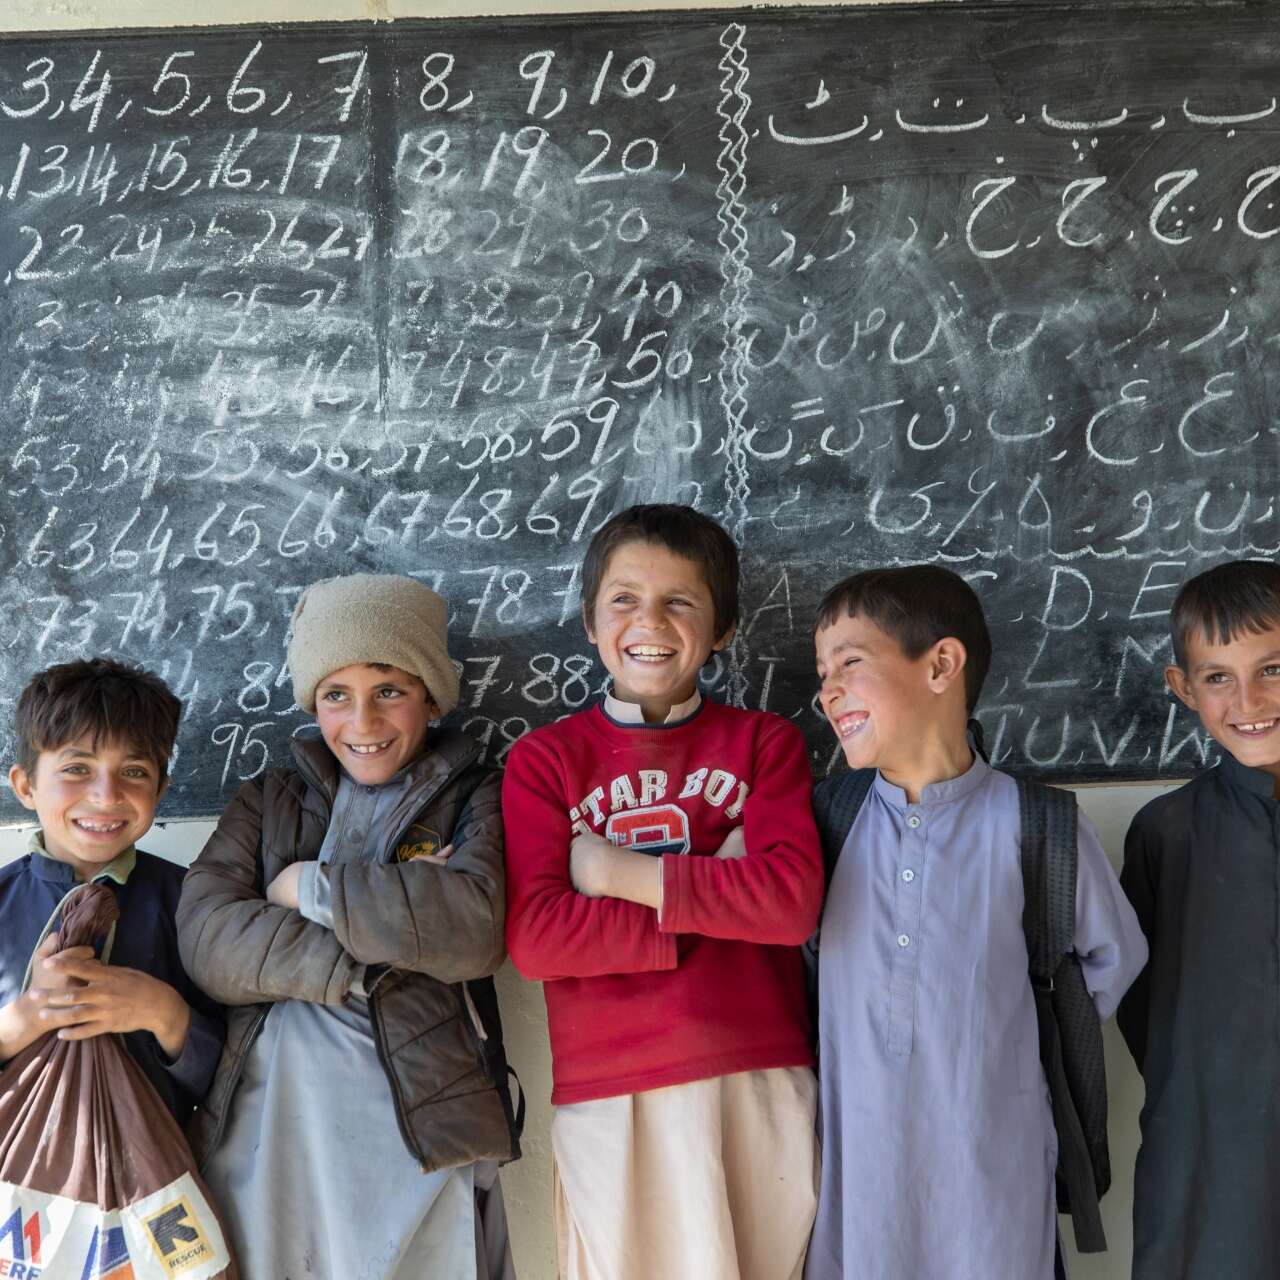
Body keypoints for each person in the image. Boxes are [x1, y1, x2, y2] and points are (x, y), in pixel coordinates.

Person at [503, 503, 824, 1280]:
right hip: (610, 1089)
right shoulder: (545, 762)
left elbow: (789, 907)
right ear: (589, 620)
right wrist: (717, 886)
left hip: (758, 1072)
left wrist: (618, 877)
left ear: (722, 629)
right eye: (624, 599)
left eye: (681, 600)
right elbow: (538, 940)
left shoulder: (765, 743)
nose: (650, 620)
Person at [806, 565, 1146, 1280]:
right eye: (822, 671)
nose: (826, 690)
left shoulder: (1039, 824)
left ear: (941, 665)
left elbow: (1114, 959)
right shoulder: (825, 823)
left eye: (850, 664)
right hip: (858, 1186)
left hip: (993, 1176)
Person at [178, 573, 520, 1280]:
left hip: (417, 1120)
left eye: (390, 690)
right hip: (274, 1123)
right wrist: (384, 935)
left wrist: (307, 886)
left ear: (430, 695)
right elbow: (208, 939)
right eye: (337, 694)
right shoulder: (269, 800)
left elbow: (475, 928)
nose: (363, 722)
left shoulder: (478, 793)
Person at [1118, 558, 1280, 1279]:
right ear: (1183, 688)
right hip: (1211, 1159)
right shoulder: (1167, 833)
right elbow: (1141, 1006)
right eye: (1218, 676)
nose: (1249, 698)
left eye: (1273, 668)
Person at [0, 657, 222, 1121]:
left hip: (155, 1180)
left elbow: (237, 1074)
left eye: (135, 772)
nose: (106, 794)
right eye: (77, 768)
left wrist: (164, 1013)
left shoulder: (197, 903)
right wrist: (24, 1020)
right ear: (25, 785)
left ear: (160, 791)